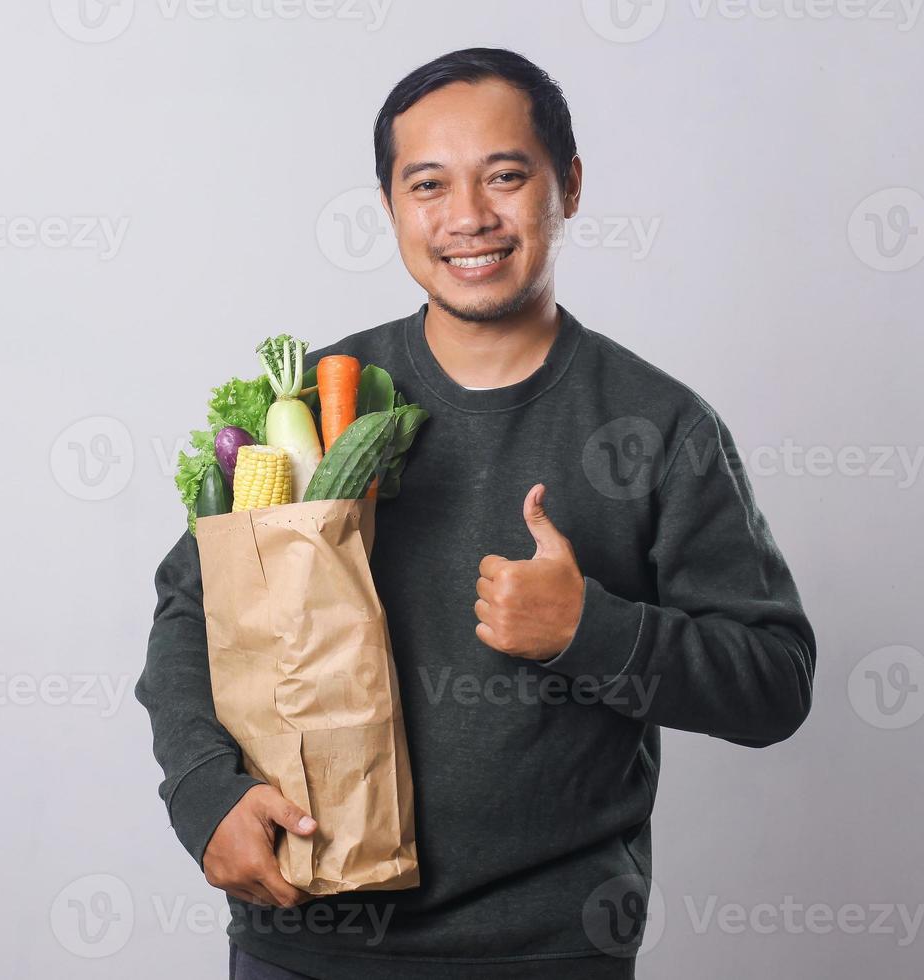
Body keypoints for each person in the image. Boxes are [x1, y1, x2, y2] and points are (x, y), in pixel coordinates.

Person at [137, 47, 816, 980]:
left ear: (567, 186)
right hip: (304, 934)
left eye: (506, 176)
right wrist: (205, 796)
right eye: (428, 185)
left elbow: (775, 681)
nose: (468, 218)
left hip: (546, 949)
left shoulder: (658, 426)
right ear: (389, 207)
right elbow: (187, 615)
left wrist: (592, 629)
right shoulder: (298, 407)